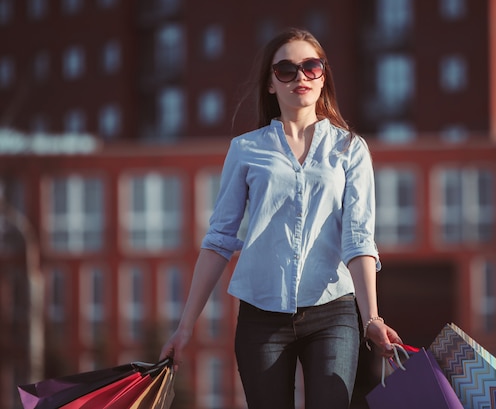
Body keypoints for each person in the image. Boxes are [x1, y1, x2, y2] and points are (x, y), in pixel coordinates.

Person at [160, 27, 402, 409]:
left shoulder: (350, 148)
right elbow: (219, 240)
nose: (300, 77)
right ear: (271, 84)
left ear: (323, 77)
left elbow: (358, 237)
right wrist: (185, 326)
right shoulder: (245, 150)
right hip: (261, 316)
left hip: (333, 311)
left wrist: (371, 317)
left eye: (311, 66)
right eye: (286, 70)